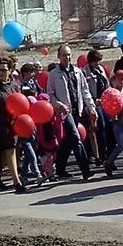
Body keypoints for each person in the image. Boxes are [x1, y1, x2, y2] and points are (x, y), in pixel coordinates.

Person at [44, 44, 95, 180]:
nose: (67, 57)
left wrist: (91, 107)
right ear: (59, 57)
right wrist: (58, 105)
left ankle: (60, 168)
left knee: (67, 141)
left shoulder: (78, 72)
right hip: (64, 113)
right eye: (64, 55)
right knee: (76, 138)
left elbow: (85, 91)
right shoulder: (54, 74)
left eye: (68, 54)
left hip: (77, 110)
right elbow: (50, 94)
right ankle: (86, 170)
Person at [0, 56, 25, 192]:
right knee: (9, 150)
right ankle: (16, 182)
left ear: (10, 70)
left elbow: (20, 102)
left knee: (2, 154)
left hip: (13, 124)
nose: (1, 72)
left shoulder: (14, 85)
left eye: (4, 70)